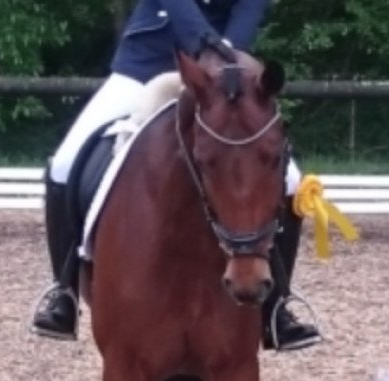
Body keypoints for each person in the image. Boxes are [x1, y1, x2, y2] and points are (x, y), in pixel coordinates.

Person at [31, 0, 322, 351]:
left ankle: (277, 305)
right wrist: (207, 45)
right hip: (145, 64)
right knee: (64, 163)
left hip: (226, 71)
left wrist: (227, 52)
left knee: (290, 180)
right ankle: (64, 291)